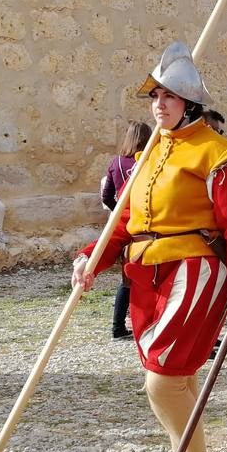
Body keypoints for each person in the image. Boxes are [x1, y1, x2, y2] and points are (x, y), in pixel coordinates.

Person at [73, 42, 227, 452]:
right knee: (179, 380)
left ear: (190, 102)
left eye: (169, 96)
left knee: (162, 379)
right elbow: (126, 219)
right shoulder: (149, 152)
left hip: (195, 272)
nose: (159, 104)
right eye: (155, 96)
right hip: (145, 275)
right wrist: (94, 258)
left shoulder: (221, 154)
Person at [101, 121, 152, 340]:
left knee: (127, 278)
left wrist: (118, 214)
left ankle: (118, 326)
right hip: (147, 226)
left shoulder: (116, 163)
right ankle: (146, 326)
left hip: (125, 224)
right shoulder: (151, 161)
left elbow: (107, 196)